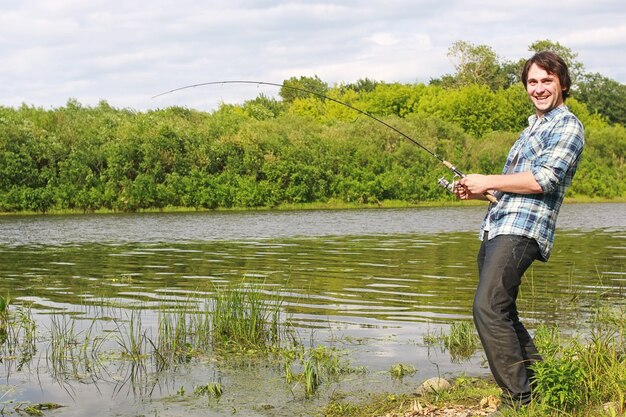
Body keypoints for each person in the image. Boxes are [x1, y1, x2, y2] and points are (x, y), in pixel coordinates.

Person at [454, 51, 585, 411]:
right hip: (499, 224)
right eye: (533, 82)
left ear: (562, 83)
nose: (539, 88)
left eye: (547, 81)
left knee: (487, 307)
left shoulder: (567, 125)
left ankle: (519, 401)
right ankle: (545, 391)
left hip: (523, 231)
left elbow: (544, 179)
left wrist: (489, 178)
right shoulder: (531, 128)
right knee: (503, 311)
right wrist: (481, 191)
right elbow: (512, 190)